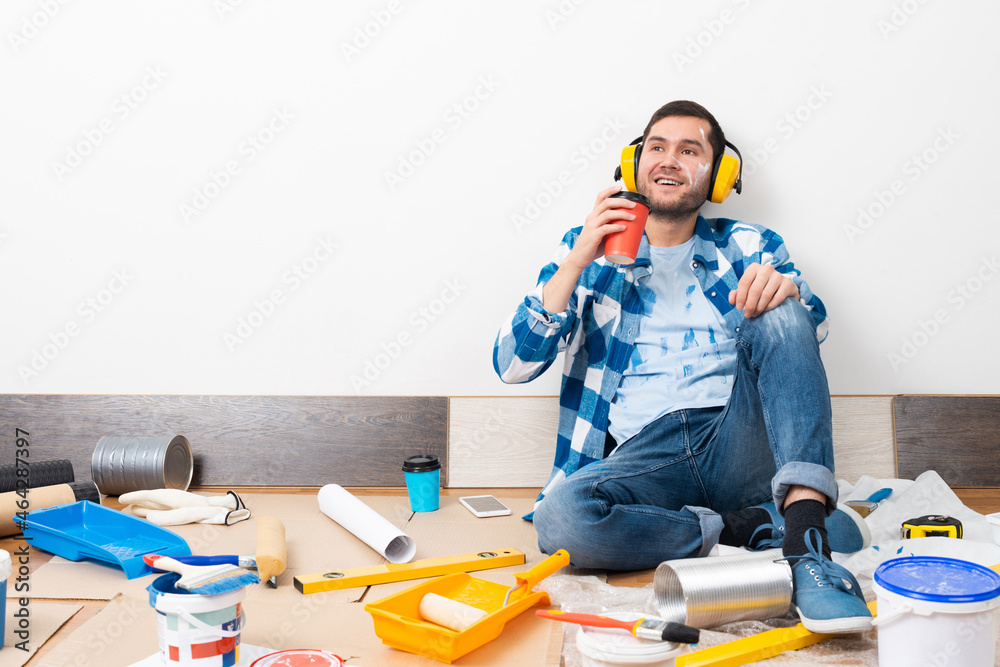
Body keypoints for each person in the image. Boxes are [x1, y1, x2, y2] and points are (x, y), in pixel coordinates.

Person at [492, 100, 872, 633]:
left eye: (689, 150)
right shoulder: (588, 254)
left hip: (734, 436)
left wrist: (790, 298)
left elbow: (805, 340)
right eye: (657, 147)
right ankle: (754, 525)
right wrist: (579, 258)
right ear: (634, 165)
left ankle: (807, 549)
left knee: (785, 310)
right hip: (646, 454)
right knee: (562, 518)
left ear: (717, 176)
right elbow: (512, 366)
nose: (669, 160)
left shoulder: (749, 244)